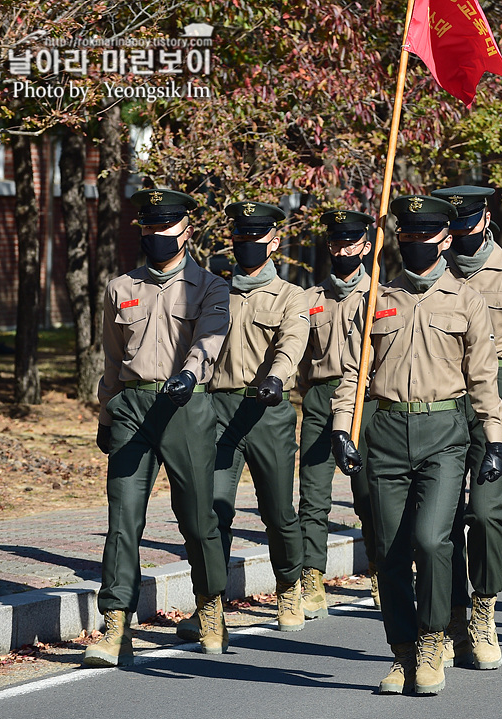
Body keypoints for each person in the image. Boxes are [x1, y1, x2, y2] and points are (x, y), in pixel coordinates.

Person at [329, 195, 502, 695]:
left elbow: (484, 379)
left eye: (425, 237)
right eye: (406, 237)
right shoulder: (376, 300)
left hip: (444, 435)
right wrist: (343, 428)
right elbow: (352, 375)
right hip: (384, 434)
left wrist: (493, 439)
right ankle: (403, 654)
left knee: (431, 539)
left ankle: (433, 642)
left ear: (446, 240)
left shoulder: (467, 301)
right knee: (388, 550)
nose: (415, 245)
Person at [86, 189, 230, 666]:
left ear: (187, 230)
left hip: (185, 408)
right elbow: (111, 358)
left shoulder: (210, 286)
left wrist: (190, 373)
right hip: (131, 407)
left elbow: (210, 336)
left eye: (163, 230)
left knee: (197, 519)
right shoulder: (120, 287)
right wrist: (106, 413)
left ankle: (209, 606)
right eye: (147, 230)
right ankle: (116, 625)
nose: (154, 238)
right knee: (123, 519)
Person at [429, 185, 502, 672]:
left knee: (488, 513)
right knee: (444, 519)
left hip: (495, 402)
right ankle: (452, 615)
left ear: (486, 217)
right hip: (443, 402)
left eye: (466, 223)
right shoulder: (433, 269)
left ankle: (483, 611)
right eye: (450, 226)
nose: (457, 235)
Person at [204, 201, 309, 633]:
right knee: (211, 511)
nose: (246, 246)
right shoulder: (213, 292)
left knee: (278, 512)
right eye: (240, 238)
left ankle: (289, 587)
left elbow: (292, 342)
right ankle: (209, 603)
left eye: (256, 238)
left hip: (268, 410)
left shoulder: (291, 296)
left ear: (274, 242)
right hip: (216, 410)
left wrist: (278, 377)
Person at [298, 209, 379, 617]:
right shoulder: (311, 299)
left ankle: (382, 566)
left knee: (369, 496)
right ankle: (312, 575)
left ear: (366, 246)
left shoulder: (380, 295)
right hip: (319, 397)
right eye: (335, 242)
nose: (342, 249)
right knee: (313, 497)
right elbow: (299, 359)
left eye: (350, 242)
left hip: (366, 400)